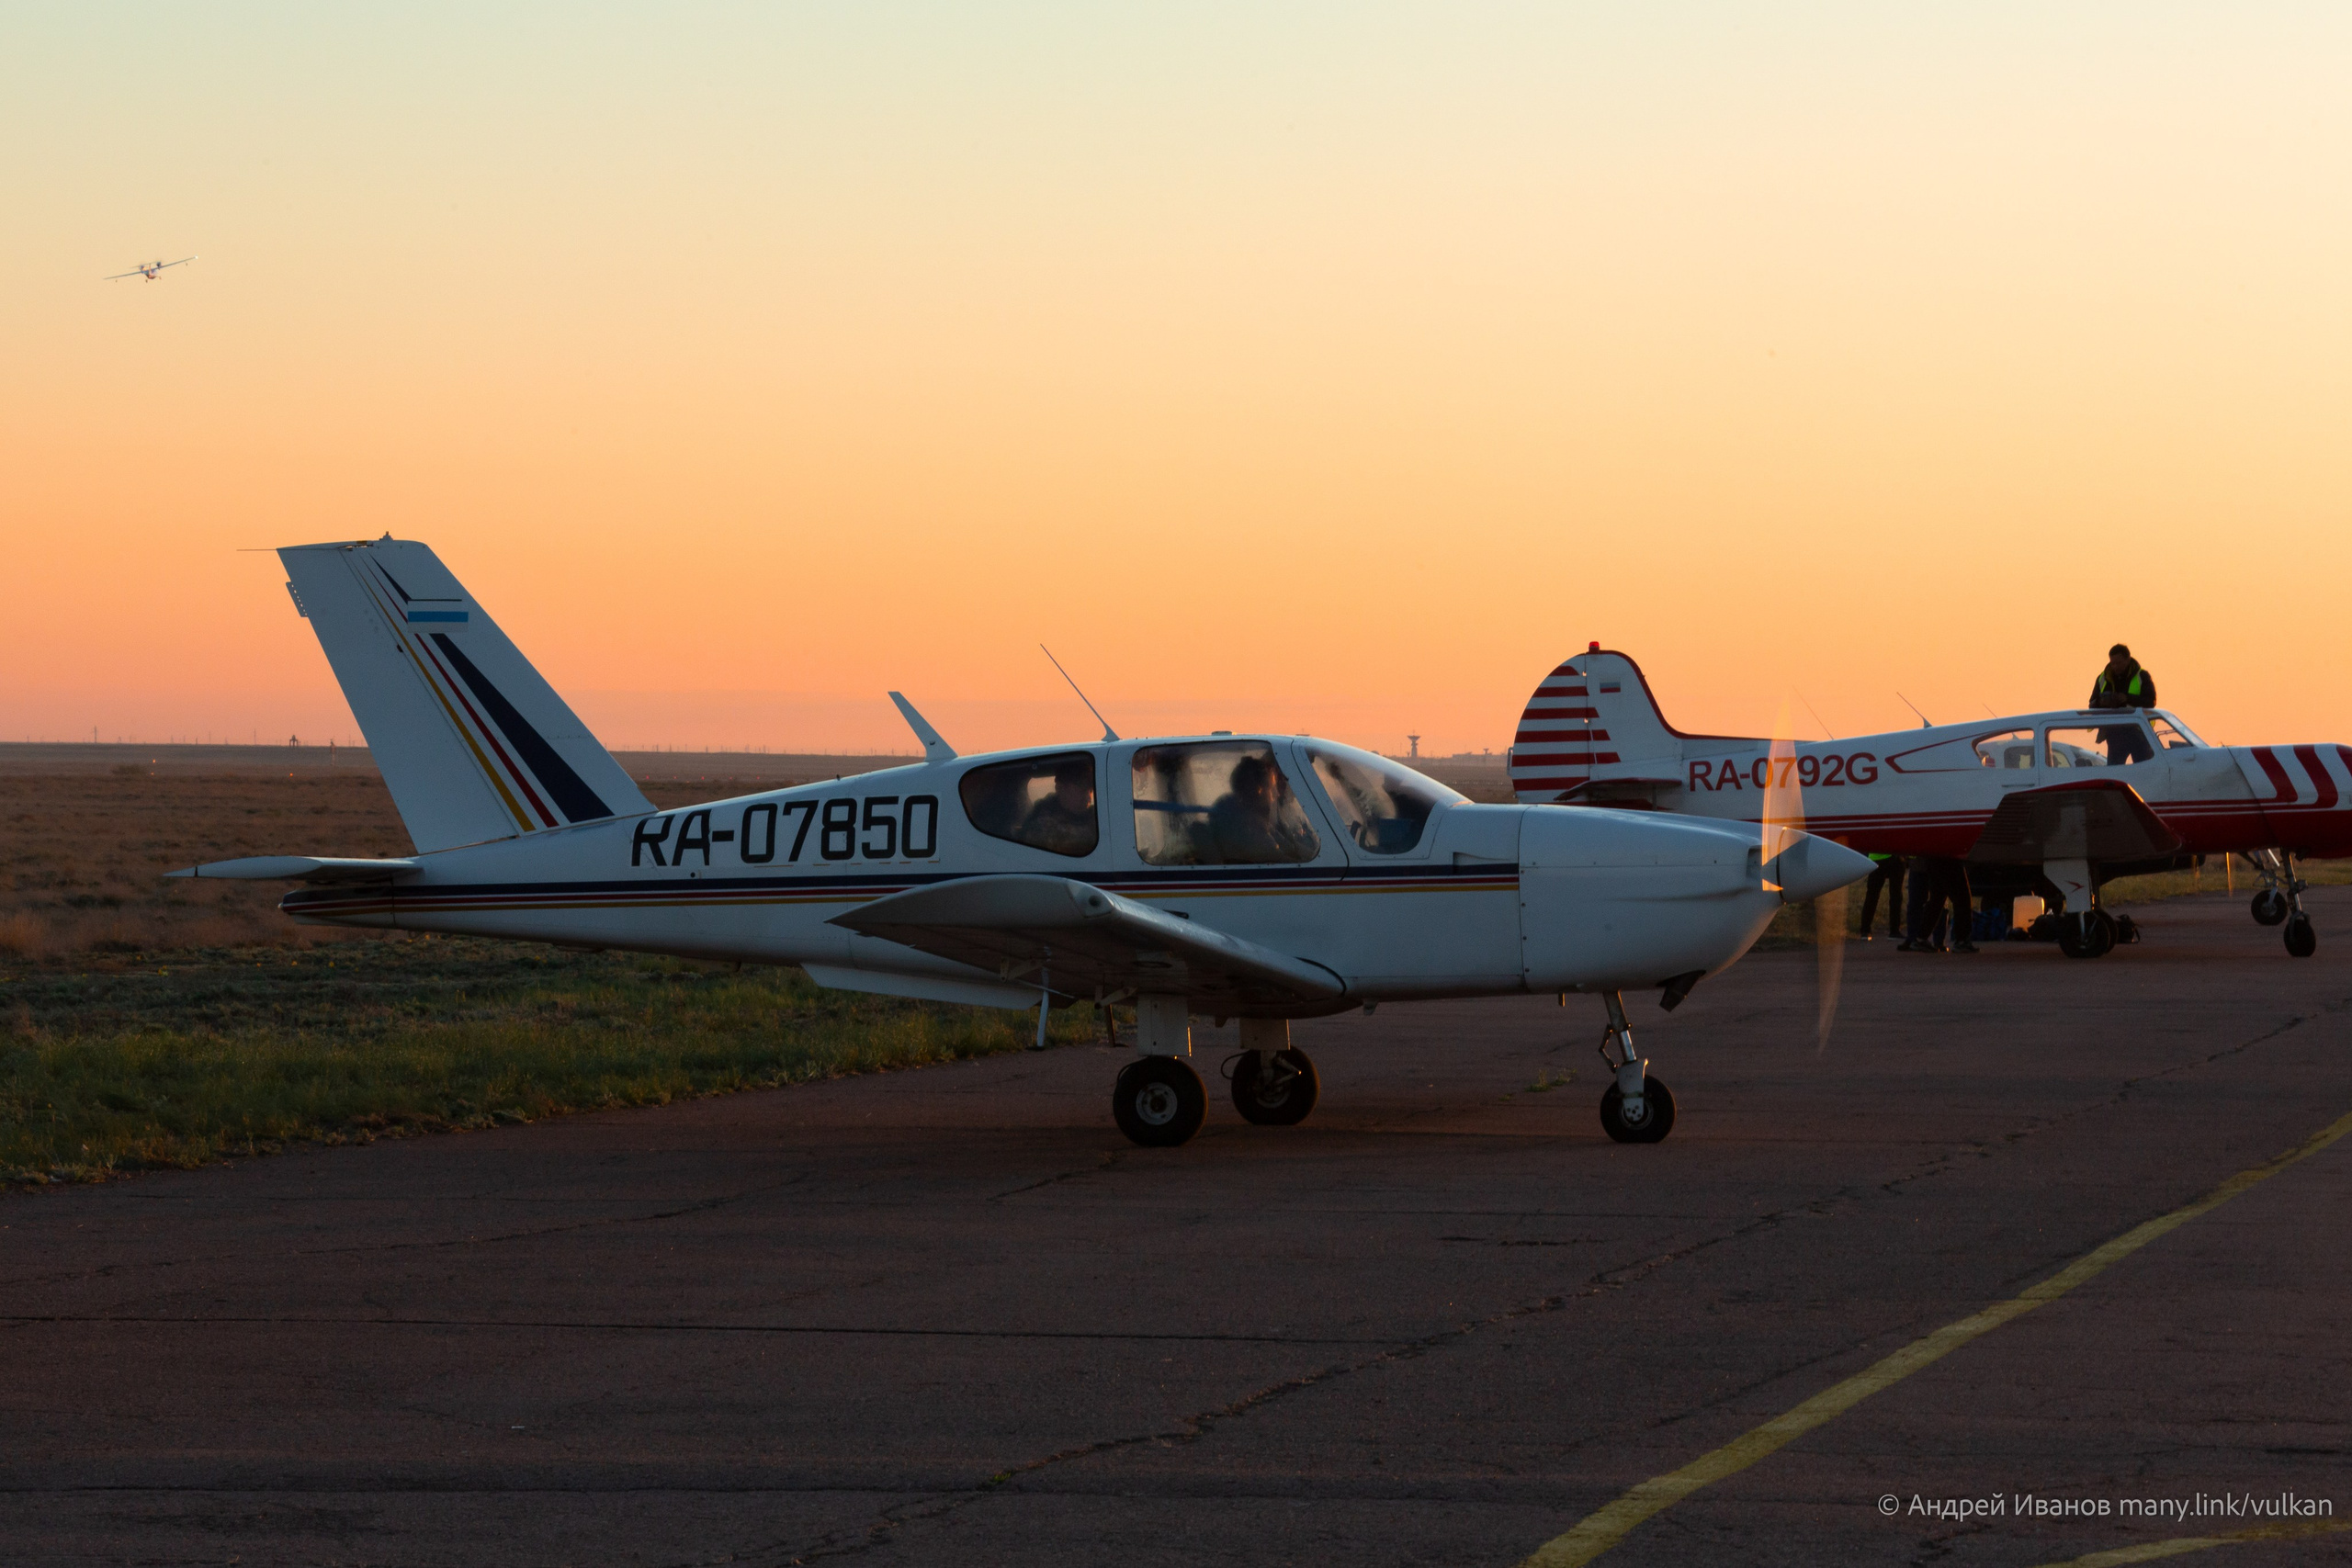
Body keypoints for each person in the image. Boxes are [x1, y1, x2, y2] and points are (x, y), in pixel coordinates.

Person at [1208, 753, 1318, 863]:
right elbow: (1280, 860)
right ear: (1258, 790)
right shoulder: (1249, 828)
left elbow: (1288, 846)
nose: (1277, 794)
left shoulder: (1255, 819)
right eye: (1272, 787)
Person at [2089, 643, 2156, 765]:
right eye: (2113, 663)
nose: (2115, 666)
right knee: (2114, 772)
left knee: (2145, 769)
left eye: (2119, 663)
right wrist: (2102, 701)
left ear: (2128, 659)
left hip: (2139, 733)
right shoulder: (2103, 678)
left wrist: (2127, 699)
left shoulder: (2142, 676)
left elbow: (2150, 702)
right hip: (2114, 734)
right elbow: (2092, 705)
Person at [1020, 759, 1098, 855]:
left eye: (1090, 791)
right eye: (1081, 790)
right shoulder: (1042, 825)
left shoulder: (1092, 816)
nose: (1088, 798)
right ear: (1061, 788)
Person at [1903, 856, 1976, 953]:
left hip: (1935, 859)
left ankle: (1921, 937)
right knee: (1962, 899)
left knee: (1937, 899)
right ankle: (1962, 940)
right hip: (1950, 859)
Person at [1858, 852, 1907, 942]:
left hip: (1876, 857)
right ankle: (1894, 931)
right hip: (1895, 856)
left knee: (1872, 895)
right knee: (1896, 895)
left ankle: (1865, 930)